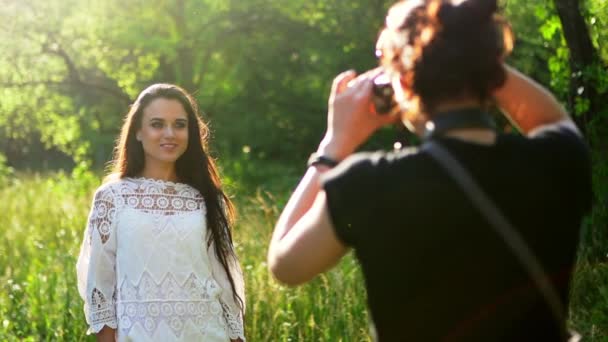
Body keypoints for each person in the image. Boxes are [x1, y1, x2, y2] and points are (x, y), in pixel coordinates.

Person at [267, 0, 592, 340]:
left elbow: (285, 264)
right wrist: (474, 56)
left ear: (403, 83)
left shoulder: (368, 184)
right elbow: (552, 120)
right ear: (491, 69)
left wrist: (334, 146)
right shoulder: (558, 160)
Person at [76, 84, 246, 342]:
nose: (170, 133)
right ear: (138, 132)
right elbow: (100, 282)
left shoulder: (207, 198)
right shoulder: (112, 197)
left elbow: (224, 278)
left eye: (179, 124)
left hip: (208, 333)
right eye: (157, 124)